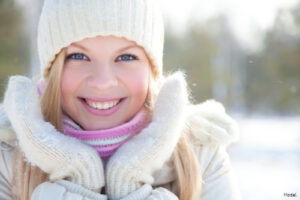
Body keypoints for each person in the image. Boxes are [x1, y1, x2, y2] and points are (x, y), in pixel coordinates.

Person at [0, 0, 241, 199]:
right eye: (78, 56)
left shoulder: (201, 157)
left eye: (126, 57)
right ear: (53, 70)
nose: (103, 82)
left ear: (151, 69)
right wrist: (77, 172)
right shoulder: (8, 158)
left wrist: (131, 175)